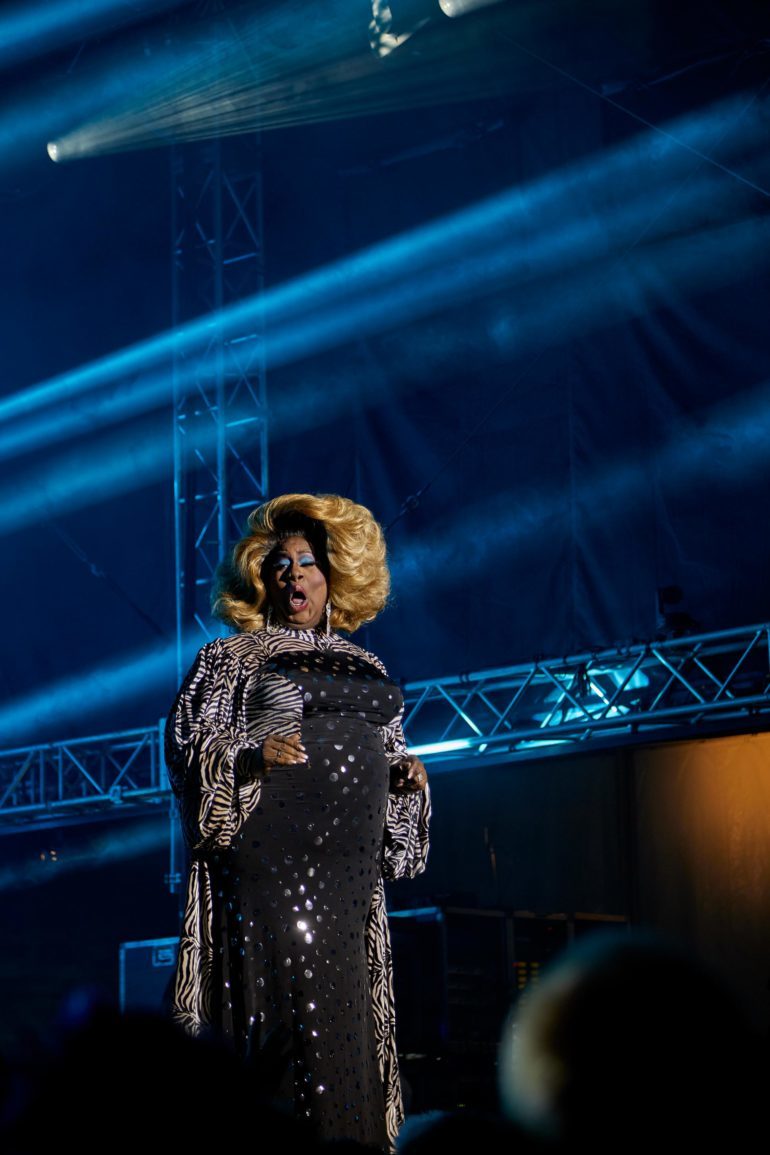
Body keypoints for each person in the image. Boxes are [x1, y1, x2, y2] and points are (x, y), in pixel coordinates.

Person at [165, 493, 430, 1151]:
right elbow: (187, 746)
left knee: (346, 1011)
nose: (293, 576)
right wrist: (251, 754)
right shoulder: (232, 658)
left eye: (307, 562)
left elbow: (392, 751)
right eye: (280, 564)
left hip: (349, 872)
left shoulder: (369, 665)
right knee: (285, 1008)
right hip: (270, 859)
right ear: (262, 575)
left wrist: (407, 779)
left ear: (333, 572)